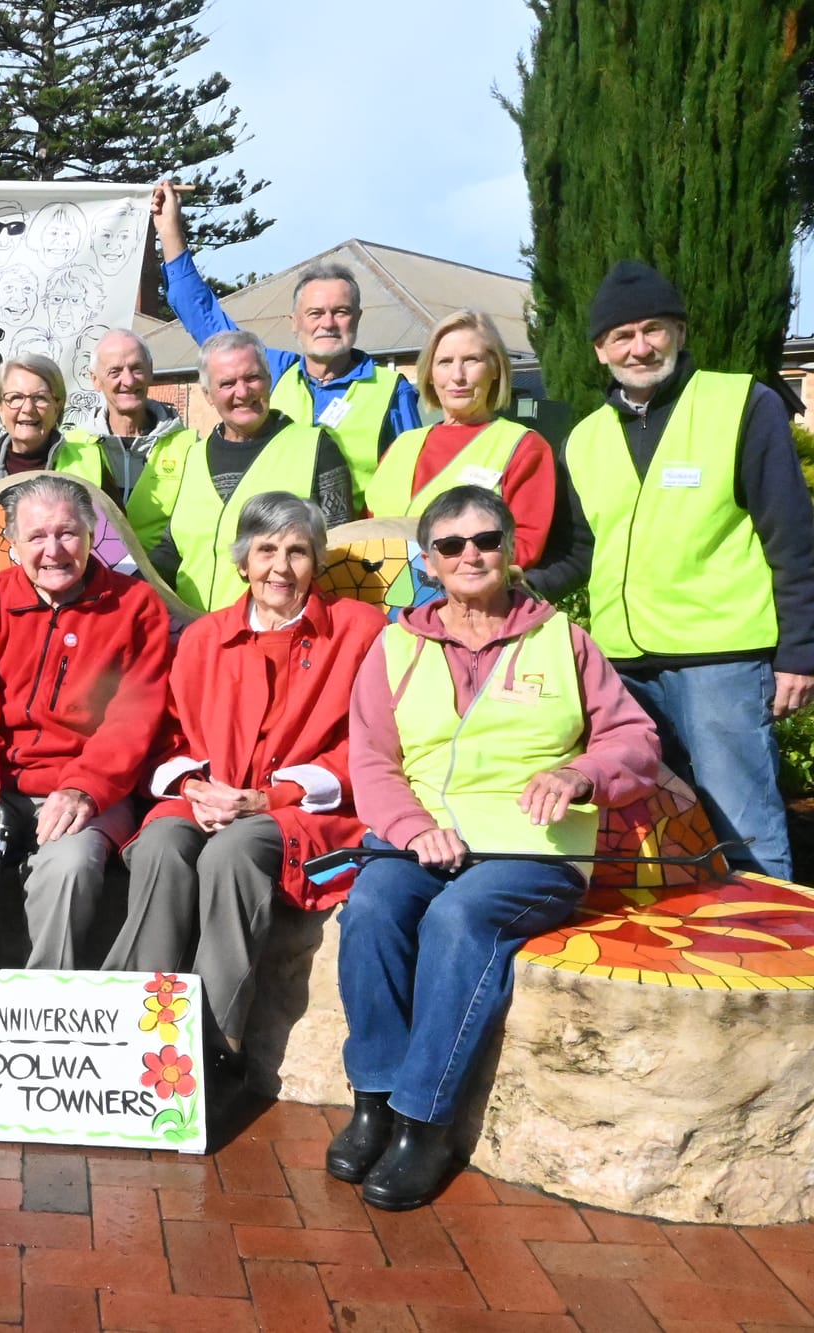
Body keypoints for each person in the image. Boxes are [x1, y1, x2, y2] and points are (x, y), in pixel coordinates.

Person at [332, 485, 658, 1211]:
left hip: (531, 849)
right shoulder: (395, 646)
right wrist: (414, 828)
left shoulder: (564, 640)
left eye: (485, 540)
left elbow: (634, 739)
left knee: (458, 920)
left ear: (512, 550)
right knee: (373, 907)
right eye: (451, 545)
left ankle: (424, 1124)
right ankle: (374, 1100)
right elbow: (374, 761)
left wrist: (581, 771)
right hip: (423, 839)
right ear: (429, 561)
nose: (470, 554)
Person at [528, 261, 814, 880]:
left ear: (679, 331)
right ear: (600, 350)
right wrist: (512, 586)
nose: (639, 347)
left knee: (744, 828)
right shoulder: (585, 438)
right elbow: (582, 552)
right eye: (621, 336)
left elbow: (791, 535)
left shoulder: (741, 403)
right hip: (623, 667)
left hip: (722, 661)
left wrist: (799, 652)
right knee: (645, 832)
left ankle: (766, 965)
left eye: (652, 329)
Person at [105, 493, 384, 1084]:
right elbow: (168, 734)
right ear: (242, 562)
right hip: (206, 797)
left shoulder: (361, 632)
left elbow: (373, 743)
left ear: (318, 562)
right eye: (266, 551)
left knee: (234, 852)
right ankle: (129, 1020)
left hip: (301, 812)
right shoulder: (204, 639)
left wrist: (270, 797)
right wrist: (196, 785)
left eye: (298, 552)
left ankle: (211, 1049)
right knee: (159, 846)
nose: (280, 568)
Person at [0, 475, 170, 969]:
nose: (53, 550)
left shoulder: (136, 608)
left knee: (71, 866)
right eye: (36, 537)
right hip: (0, 780)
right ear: (13, 544)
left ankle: (43, 1012)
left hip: (89, 787)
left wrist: (84, 787)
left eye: (67, 534)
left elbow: (132, 720)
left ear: (90, 534)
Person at [150, 180, 420, 502]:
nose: (328, 324)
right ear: (294, 323)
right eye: (315, 313)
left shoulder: (392, 391)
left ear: (358, 318)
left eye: (341, 312)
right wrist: (170, 230)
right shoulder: (270, 373)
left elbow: (414, 485)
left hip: (356, 547)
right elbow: (200, 312)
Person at [149, 330, 355, 611]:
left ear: (269, 381)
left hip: (276, 636)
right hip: (195, 637)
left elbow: (339, 552)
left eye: (252, 378)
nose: (242, 392)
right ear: (208, 395)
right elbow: (174, 548)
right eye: (227, 383)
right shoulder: (193, 456)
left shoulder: (317, 448)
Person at [364, 311, 557, 566]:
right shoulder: (401, 445)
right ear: (430, 374)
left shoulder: (523, 447)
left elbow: (523, 548)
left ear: (495, 369)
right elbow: (365, 533)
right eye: (444, 362)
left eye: (471, 360)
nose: (457, 375)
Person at [71, 329, 193, 548]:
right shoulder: (71, 448)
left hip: (166, 579)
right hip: (96, 578)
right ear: (95, 380)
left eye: (137, 369)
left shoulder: (189, 446)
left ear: (150, 372)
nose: (128, 380)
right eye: (115, 372)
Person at [0, 354, 117, 508]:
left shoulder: (90, 462)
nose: (28, 408)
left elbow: (116, 532)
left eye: (40, 398)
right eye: (15, 398)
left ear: (57, 407)